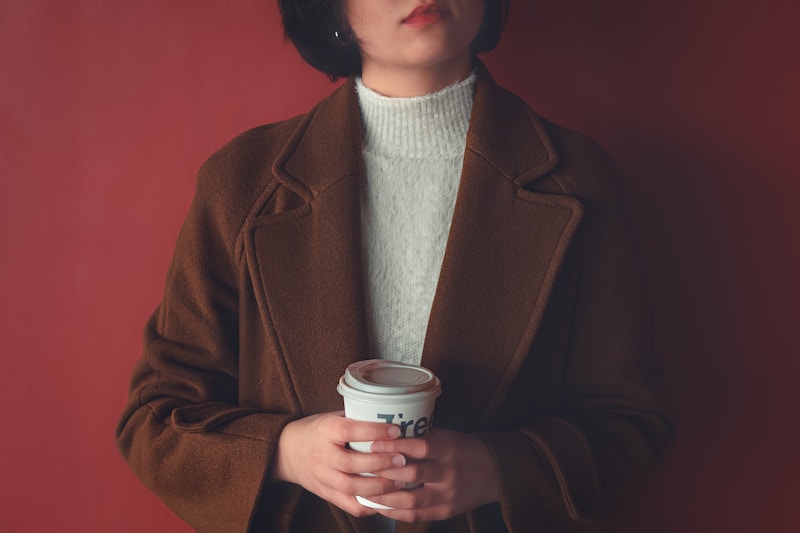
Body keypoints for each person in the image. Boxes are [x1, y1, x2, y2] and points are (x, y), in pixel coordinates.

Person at [116, 1, 674, 531]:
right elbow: (155, 419)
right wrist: (288, 453)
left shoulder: (581, 181)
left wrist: (498, 470)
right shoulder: (240, 185)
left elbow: (633, 427)